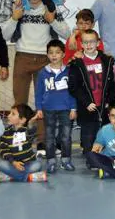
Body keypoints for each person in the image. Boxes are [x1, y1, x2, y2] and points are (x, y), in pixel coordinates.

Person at [1, 0, 71, 150]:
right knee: (20, 102)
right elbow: (4, 36)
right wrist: (14, 18)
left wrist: (52, 20)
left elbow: (67, 33)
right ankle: (19, 141)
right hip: (22, 57)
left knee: (44, 103)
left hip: (43, 60)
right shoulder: (19, 7)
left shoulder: (50, 8)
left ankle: (43, 141)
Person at [69, 29, 115, 164]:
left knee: (106, 135)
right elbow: (73, 87)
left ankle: (106, 159)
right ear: (81, 45)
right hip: (87, 108)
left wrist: (109, 101)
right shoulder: (76, 63)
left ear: (98, 43)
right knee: (88, 137)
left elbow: (113, 83)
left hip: (104, 106)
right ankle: (92, 160)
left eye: (92, 42)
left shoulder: (107, 60)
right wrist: (86, 102)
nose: (89, 45)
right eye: (85, 42)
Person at [34, 40, 77, 173]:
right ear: (47, 55)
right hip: (48, 109)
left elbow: (73, 92)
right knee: (49, 136)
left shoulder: (69, 72)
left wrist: (73, 108)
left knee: (66, 136)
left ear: (63, 54)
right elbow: (38, 92)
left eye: (57, 52)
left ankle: (66, 160)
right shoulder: (42, 73)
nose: (54, 55)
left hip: (65, 109)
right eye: (51, 53)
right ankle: (51, 161)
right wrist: (39, 108)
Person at [0, 104, 46, 182]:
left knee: (38, 164)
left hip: (28, 163)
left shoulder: (26, 131)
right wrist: (13, 162)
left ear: (22, 120)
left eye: (13, 114)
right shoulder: (6, 132)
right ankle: (28, 177)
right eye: (10, 113)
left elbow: (31, 131)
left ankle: (12, 176)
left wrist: (31, 123)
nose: (9, 116)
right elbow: (3, 150)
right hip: (13, 164)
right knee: (0, 164)